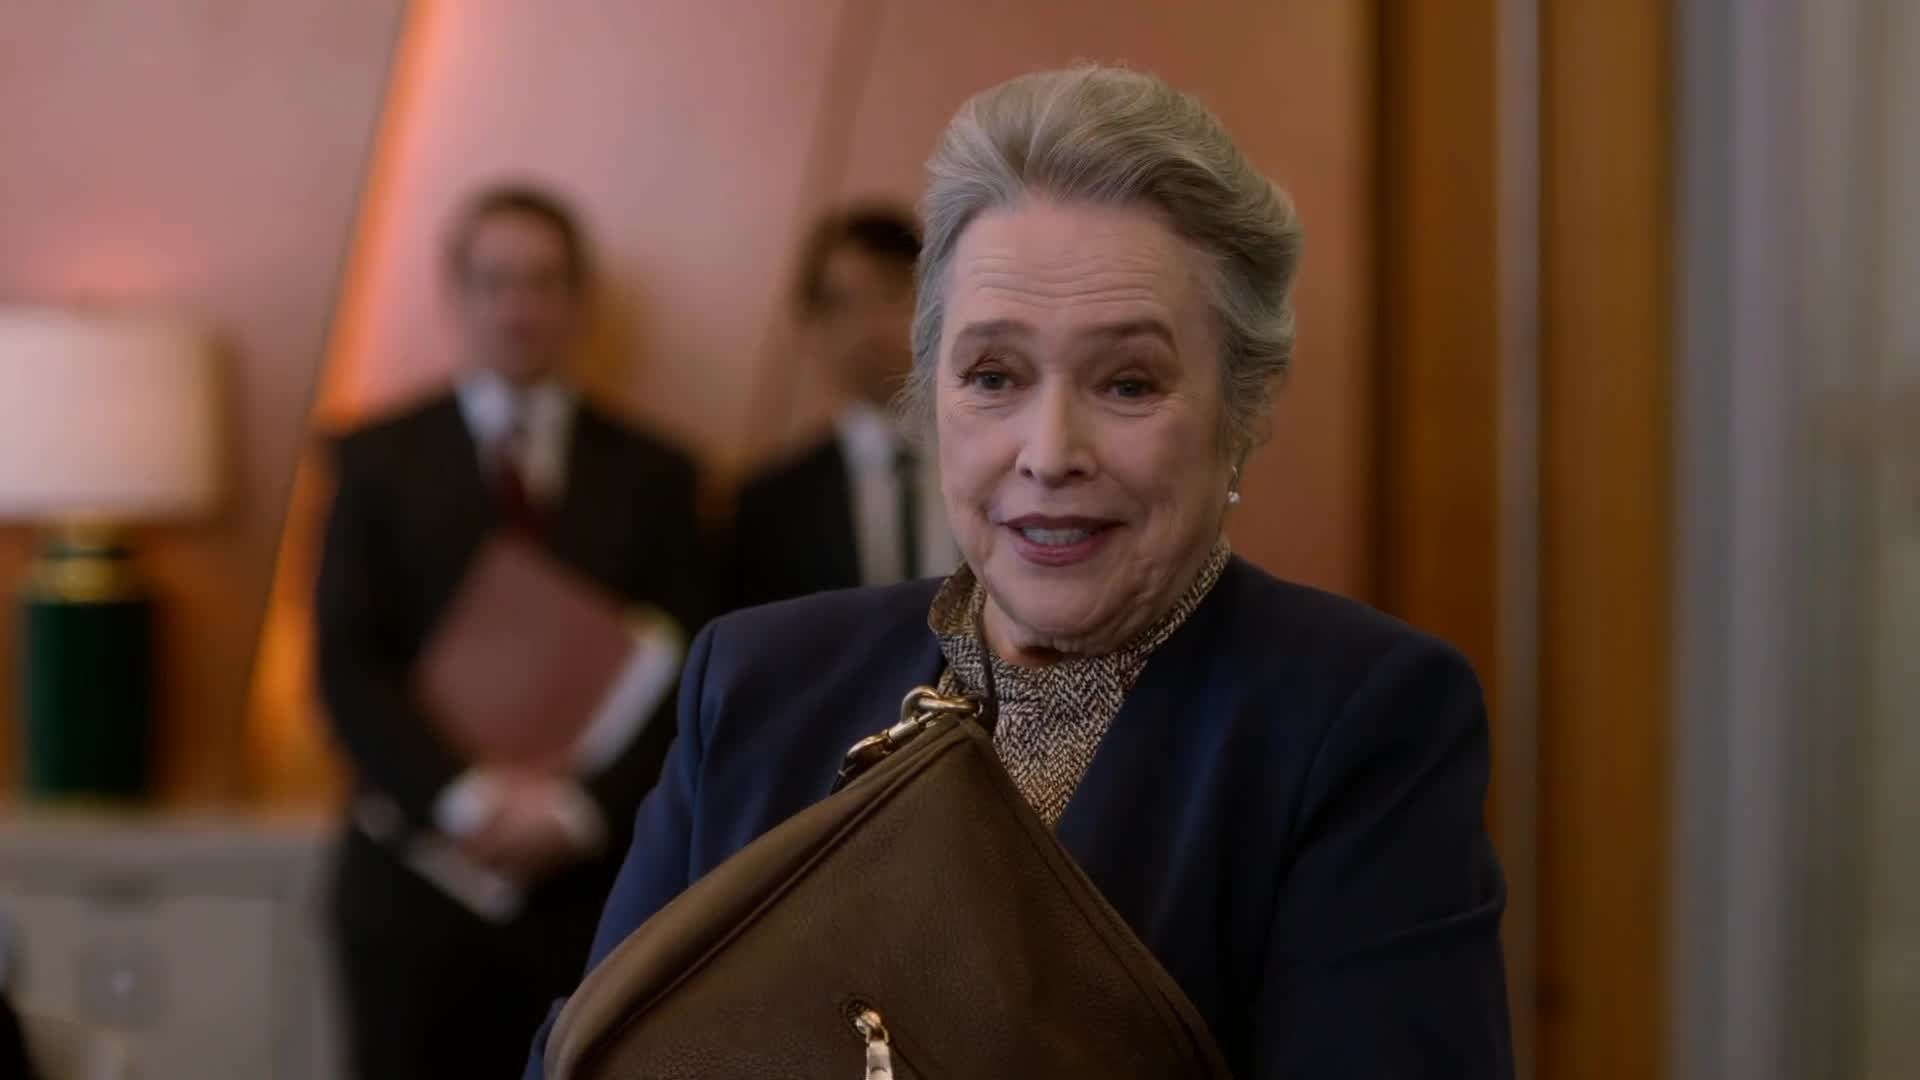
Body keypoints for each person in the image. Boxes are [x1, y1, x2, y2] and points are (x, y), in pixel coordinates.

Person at [531, 66, 1512, 1077]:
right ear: (932, 398)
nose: (1048, 453)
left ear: (1244, 410)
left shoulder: (1359, 722)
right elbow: (595, 1052)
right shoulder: (753, 681)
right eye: (994, 375)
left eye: (1127, 383)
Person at [317, 184, 705, 1080]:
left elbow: (689, 667)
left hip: (596, 893)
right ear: (456, 294)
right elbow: (345, 666)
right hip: (411, 889)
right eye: (495, 281)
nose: (518, 306)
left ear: (578, 298)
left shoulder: (661, 476)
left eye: (542, 282)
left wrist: (576, 811)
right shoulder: (373, 461)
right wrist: (466, 799)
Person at [729, 204, 960, 609]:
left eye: (890, 293)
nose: (869, 326)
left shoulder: (1008, 464)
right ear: (812, 327)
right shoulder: (769, 505)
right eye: (841, 304)